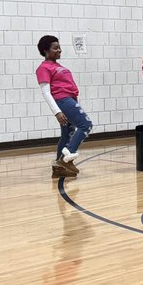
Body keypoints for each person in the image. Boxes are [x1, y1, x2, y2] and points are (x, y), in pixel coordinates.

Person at [36, 35, 93, 178]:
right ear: (45, 51)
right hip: (62, 100)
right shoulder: (43, 68)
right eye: (55, 48)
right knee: (86, 125)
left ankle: (59, 167)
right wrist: (57, 112)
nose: (59, 50)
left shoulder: (58, 66)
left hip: (69, 100)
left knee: (67, 133)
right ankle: (67, 157)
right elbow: (46, 93)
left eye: (59, 47)